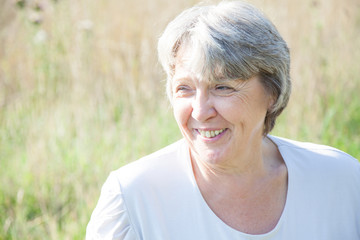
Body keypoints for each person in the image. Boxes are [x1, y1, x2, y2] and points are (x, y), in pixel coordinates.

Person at [86, 1, 360, 239]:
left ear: (272, 93)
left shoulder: (341, 181)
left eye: (223, 87)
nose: (200, 111)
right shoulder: (132, 200)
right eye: (185, 88)